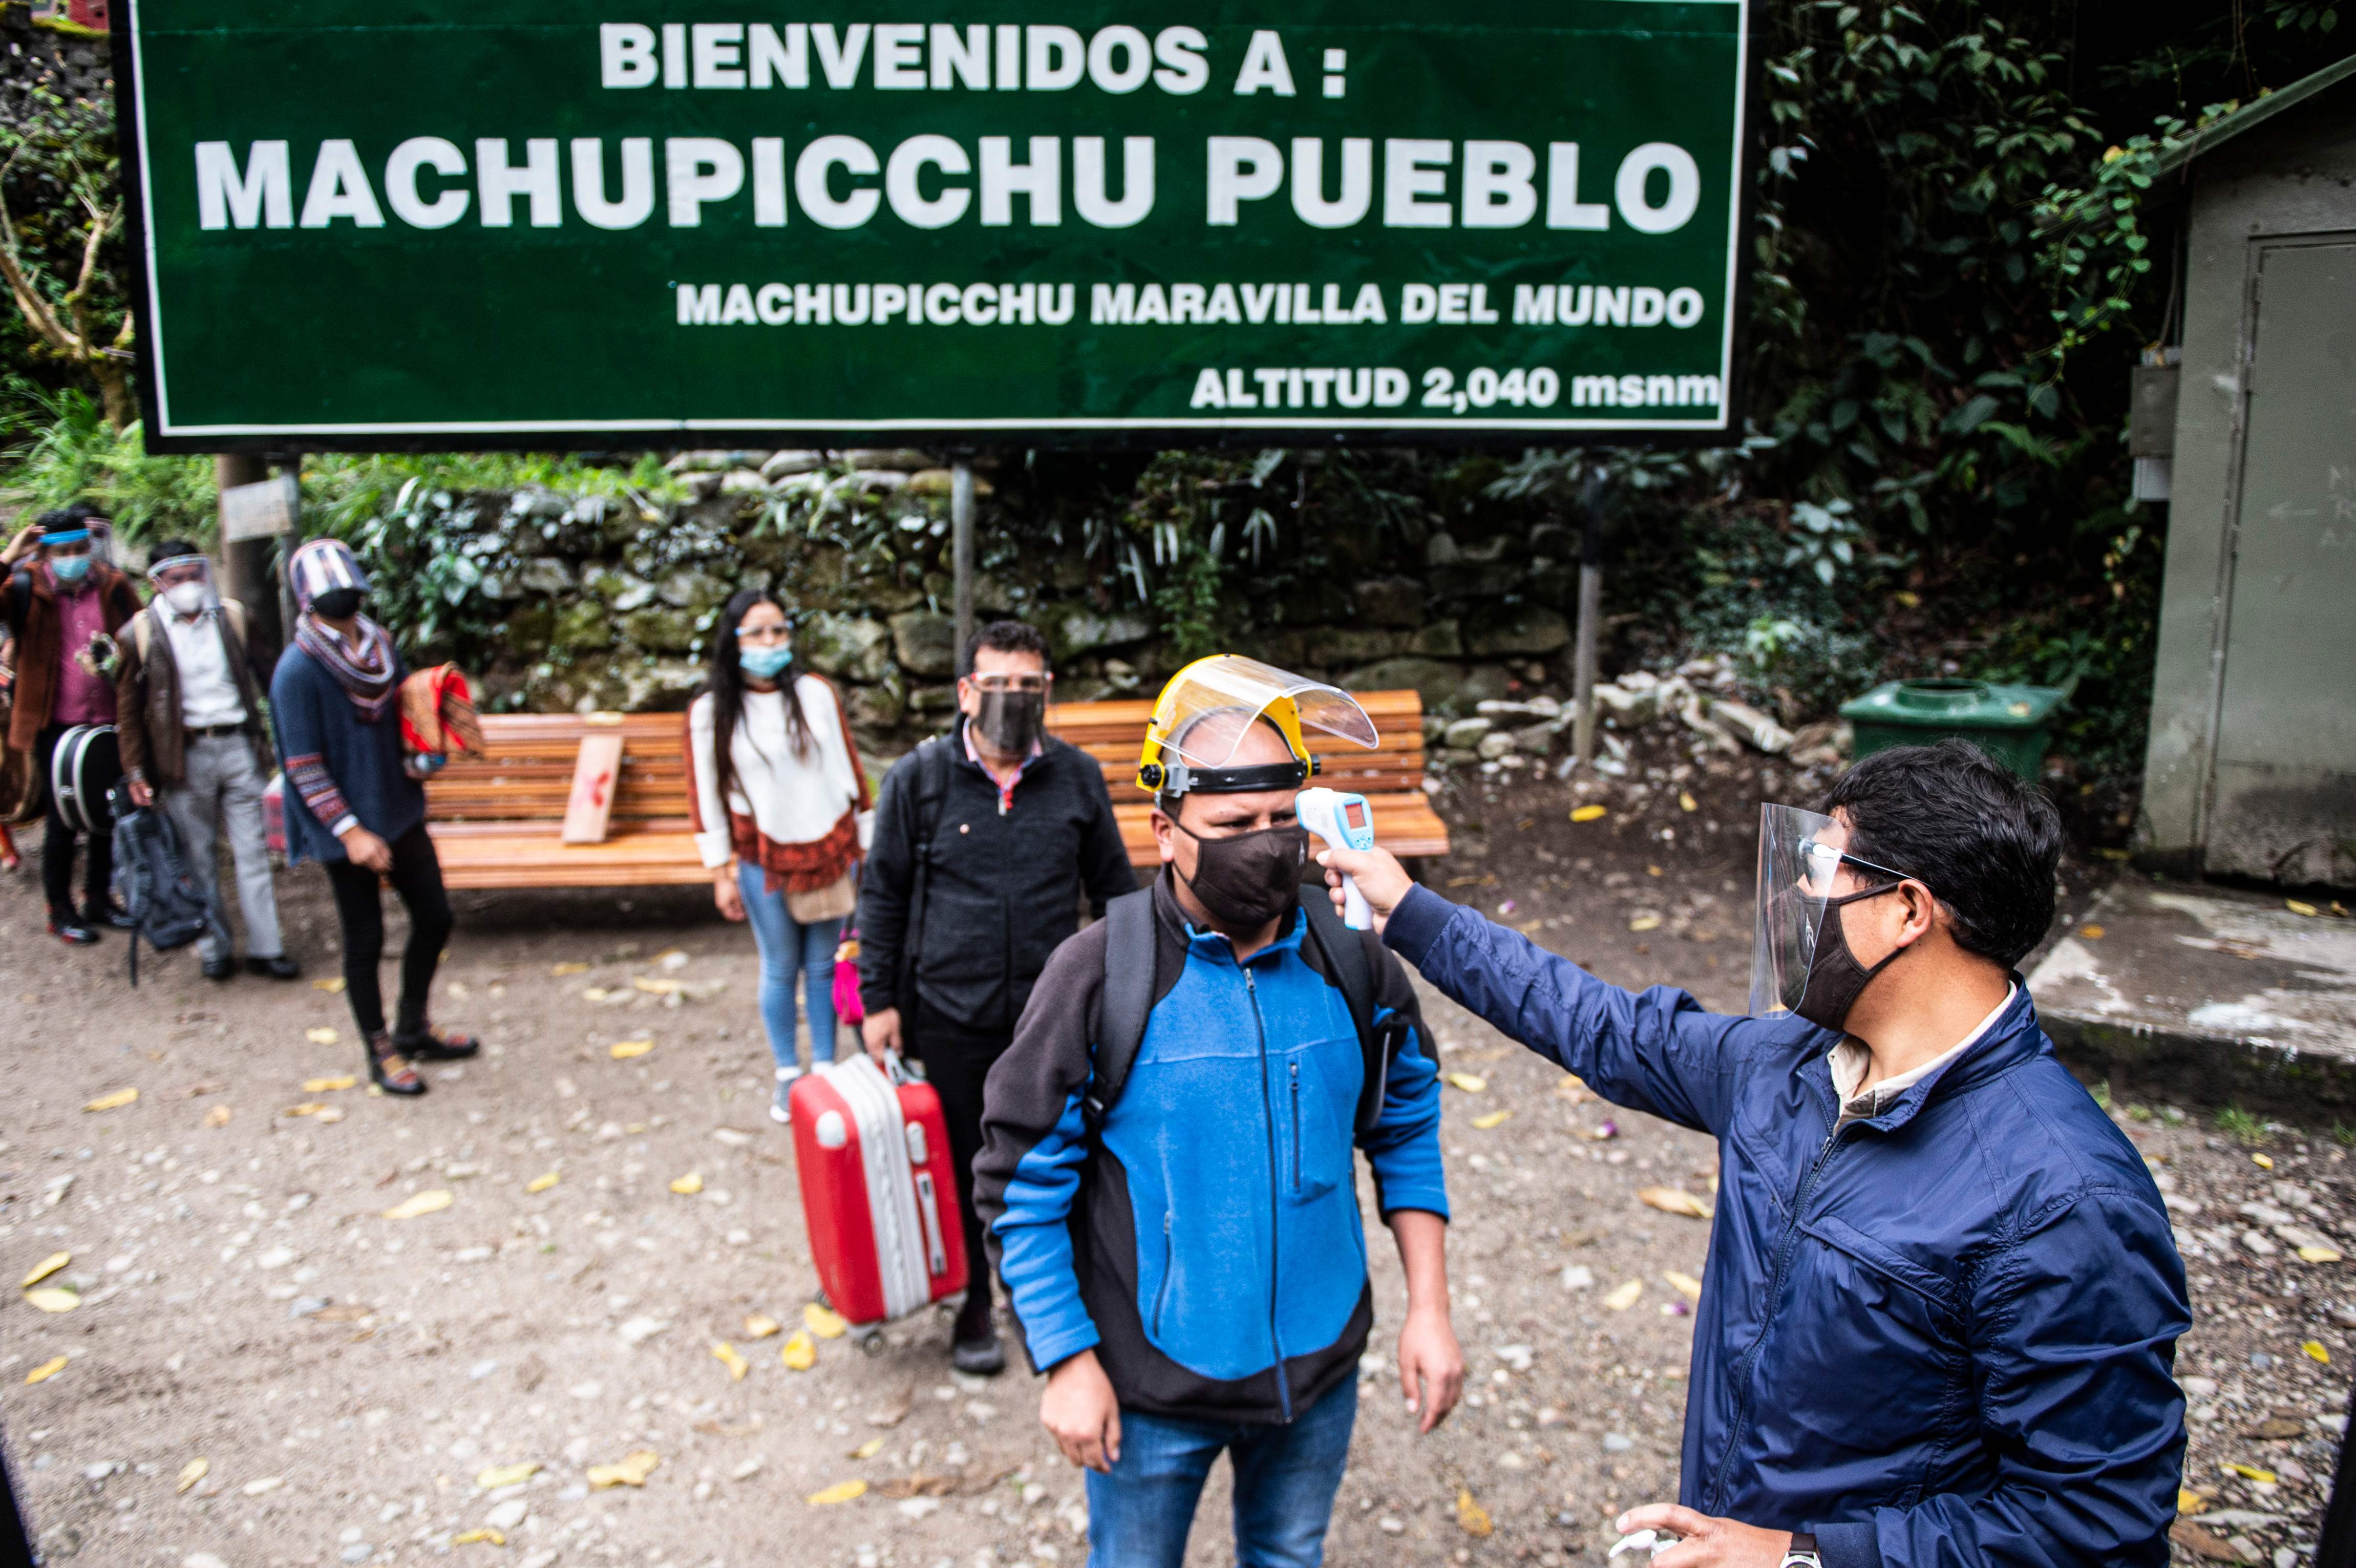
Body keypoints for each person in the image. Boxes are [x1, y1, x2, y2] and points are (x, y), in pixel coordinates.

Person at [1320, 739, 2191, 1568]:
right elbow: (1602, 1026)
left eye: (1817, 872)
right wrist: (1406, 907)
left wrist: (1800, 1555)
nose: (1791, 899)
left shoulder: (2065, 1201)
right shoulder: (1793, 1062)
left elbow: (2094, 1524)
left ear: (1907, 910)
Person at [973, 658, 1462, 1568]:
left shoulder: (1357, 959)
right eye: (1234, 825)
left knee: (1288, 1554)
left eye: (1285, 821)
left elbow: (1403, 1124)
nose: (1267, 845)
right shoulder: (1096, 976)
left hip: (1318, 1375)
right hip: (1149, 1386)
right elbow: (1017, 1185)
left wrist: (1427, 1309)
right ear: (1165, 830)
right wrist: (1066, 1358)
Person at [856, 618, 1135, 1375]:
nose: (1012, 699)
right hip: (950, 1009)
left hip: (1056, 1014)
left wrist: (1142, 982)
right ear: (965, 691)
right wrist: (878, 1000)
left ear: (1047, 690)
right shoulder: (918, 778)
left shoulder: (1076, 777)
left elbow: (1114, 889)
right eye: (997, 684)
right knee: (961, 1160)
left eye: (1027, 685)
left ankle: (1046, 1297)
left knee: (1061, 1152)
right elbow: (881, 894)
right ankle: (976, 1299)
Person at [271, 538, 477, 1095]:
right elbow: (302, 766)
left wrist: (426, 749)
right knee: (365, 939)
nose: (343, 596)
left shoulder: (380, 644)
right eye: (329, 590)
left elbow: (406, 708)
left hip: (398, 806)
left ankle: (413, 1025)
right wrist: (352, 831)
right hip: (347, 826)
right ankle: (379, 1048)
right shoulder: (297, 670)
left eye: (349, 587)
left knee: (435, 916)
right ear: (308, 600)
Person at [687, 588, 874, 1120]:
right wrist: (720, 870)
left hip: (830, 849)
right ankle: (787, 1072)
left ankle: (824, 1066)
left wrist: (863, 841)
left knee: (823, 964)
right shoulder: (711, 710)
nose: (769, 642)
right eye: (756, 632)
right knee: (778, 965)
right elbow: (706, 793)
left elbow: (849, 769)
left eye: (778, 630)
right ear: (734, 640)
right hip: (760, 855)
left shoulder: (815, 694)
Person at [115, 538, 298, 982]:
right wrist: (136, 771)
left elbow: (272, 677)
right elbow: (128, 710)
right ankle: (214, 946)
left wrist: (286, 746)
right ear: (157, 582)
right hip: (183, 755)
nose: (189, 585)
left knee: (253, 851)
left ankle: (265, 947)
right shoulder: (138, 633)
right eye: (177, 578)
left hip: (238, 746)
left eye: (195, 574)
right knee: (197, 857)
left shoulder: (232, 618)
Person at [0, 505, 143, 944]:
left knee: (107, 810)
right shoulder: (25, 587)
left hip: (109, 716)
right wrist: (10, 556)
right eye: (64, 551)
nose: (74, 557)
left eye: (81, 548)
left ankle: (98, 897)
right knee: (64, 820)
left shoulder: (113, 585)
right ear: (45, 553)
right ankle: (59, 909)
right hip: (53, 724)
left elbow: (142, 631)